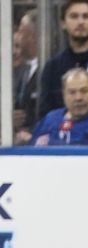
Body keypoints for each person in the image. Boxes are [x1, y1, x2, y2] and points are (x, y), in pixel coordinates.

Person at [30, 68, 88, 147]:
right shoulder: (49, 120)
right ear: (64, 95)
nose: (78, 98)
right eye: (72, 92)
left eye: (84, 91)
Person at [12, 10, 39, 146]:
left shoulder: (48, 68)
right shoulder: (18, 70)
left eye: (21, 32)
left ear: (34, 36)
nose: (16, 36)